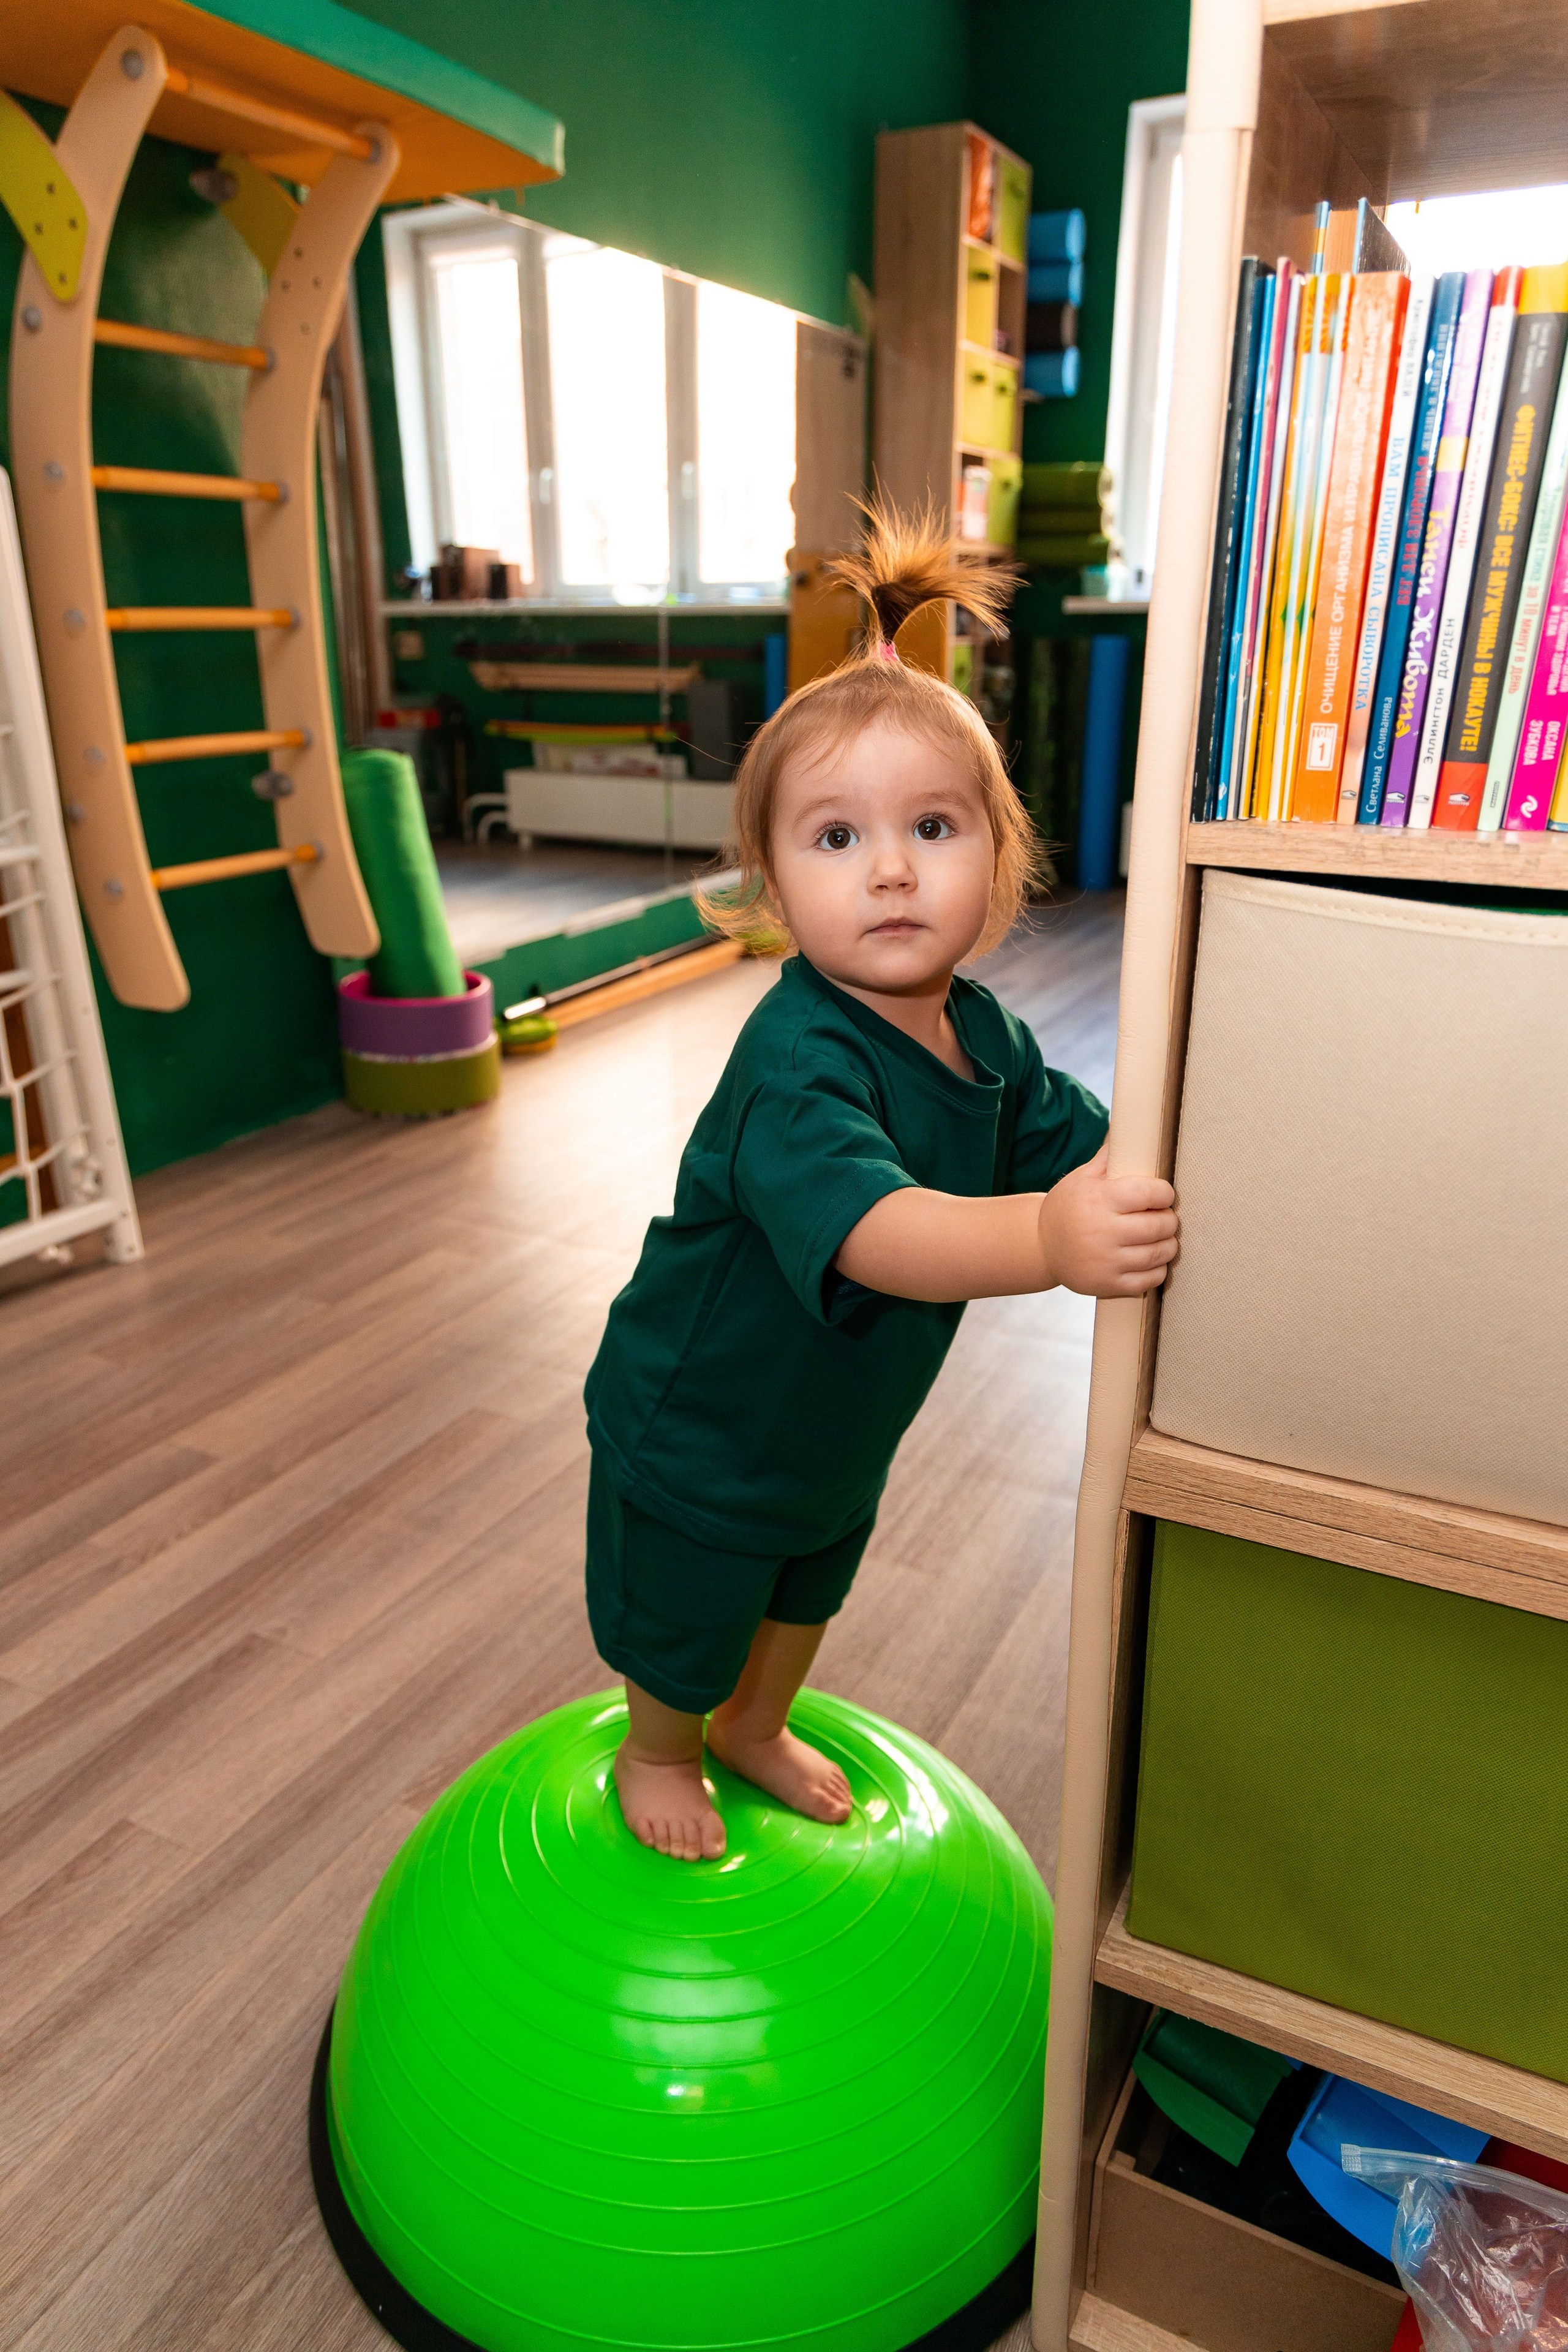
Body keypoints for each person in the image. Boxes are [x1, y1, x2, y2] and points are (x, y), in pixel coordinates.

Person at [583, 503, 1177, 1861]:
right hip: (705, 1417)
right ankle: (665, 1742)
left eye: (930, 826)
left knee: (807, 1584)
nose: (892, 868)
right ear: (777, 885)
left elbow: (1064, 1134)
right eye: (835, 839)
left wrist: (1132, 1163)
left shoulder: (982, 1035)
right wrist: (1047, 1236)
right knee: (695, 1607)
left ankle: (752, 1724)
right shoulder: (796, 1060)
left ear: (998, 856)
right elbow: (875, 1231)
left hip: (832, 1422)